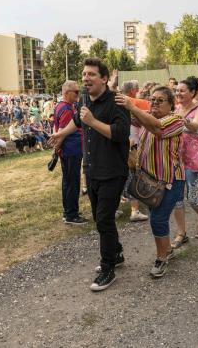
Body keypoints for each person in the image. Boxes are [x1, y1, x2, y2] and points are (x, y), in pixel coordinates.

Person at [50, 57, 130, 292]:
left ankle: (108, 268)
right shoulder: (84, 99)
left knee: (104, 220)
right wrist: (62, 134)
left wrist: (93, 121)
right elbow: (77, 121)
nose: (86, 78)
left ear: (104, 79)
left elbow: (120, 134)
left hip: (113, 171)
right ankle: (116, 252)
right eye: (84, 74)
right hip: (92, 170)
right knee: (99, 218)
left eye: (91, 74)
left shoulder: (117, 103)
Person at [115, 86, 185, 277]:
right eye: (152, 99)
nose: (154, 103)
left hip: (169, 180)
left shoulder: (176, 120)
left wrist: (132, 106)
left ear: (171, 104)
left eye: (159, 100)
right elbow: (126, 116)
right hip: (151, 181)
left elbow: (158, 128)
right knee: (157, 216)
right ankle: (167, 250)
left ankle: (162, 258)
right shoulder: (146, 116)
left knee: (157, 219)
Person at [171, 76, 198, 248]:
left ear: (192, 93)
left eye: (181, 90)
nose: (178, 93)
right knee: (176, 199)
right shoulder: (176, 108)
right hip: (176, 159)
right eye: (177, 90)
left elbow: (195, 126)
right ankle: (181, 233)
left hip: (194, 158)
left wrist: (180, 119)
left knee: (193, 198)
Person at [54, 80, 88, 225]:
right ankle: (71, 215)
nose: (78, 94)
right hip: (71, 151)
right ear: (67, 93)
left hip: (69, 150)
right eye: (76, 92)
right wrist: (57, 148)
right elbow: (62, 132)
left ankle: (68, 211)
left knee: (68, 182)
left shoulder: (62, 106)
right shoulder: (67, 109)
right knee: (72, 183)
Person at [120, 80, 150, 222]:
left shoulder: (117, 100)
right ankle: (135, 211)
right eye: (137, 88)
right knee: (132, 176)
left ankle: (117, 207)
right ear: (132, 90)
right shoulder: (140, 102)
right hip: (132, 145)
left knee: (121, 177)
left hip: (120, 144)